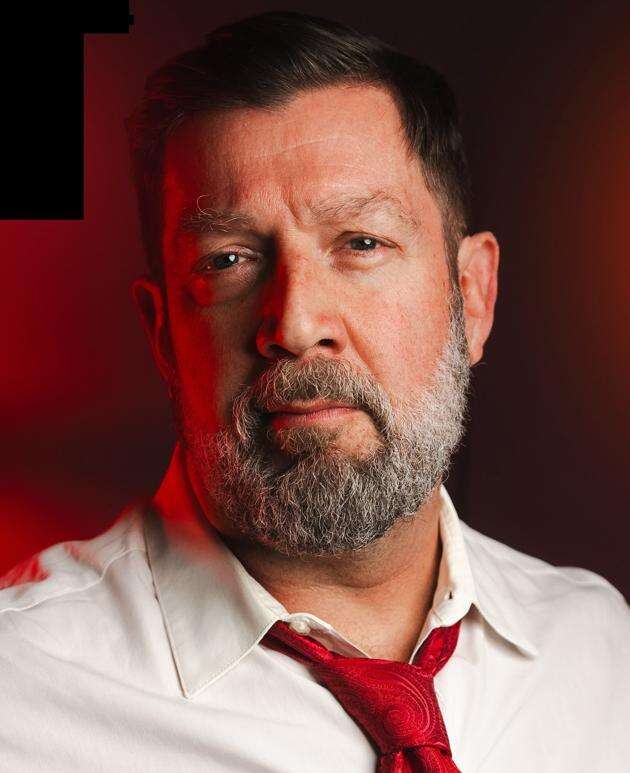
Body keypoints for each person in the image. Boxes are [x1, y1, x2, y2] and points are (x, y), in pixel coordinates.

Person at [1, 11, 628, 772]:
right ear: (162, 334)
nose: (295, 324)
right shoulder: (18, 693)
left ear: (472, 297)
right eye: (228, 259)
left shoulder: (600, 653)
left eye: (361, 242)